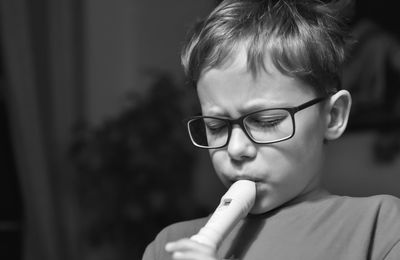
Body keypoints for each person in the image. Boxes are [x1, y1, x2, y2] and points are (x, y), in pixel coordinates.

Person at [142, 0, 400, 259]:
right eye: (216, 126)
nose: (236, 149)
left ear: (333, 116)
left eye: (266, 121)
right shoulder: (169, 245)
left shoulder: (381, 226)